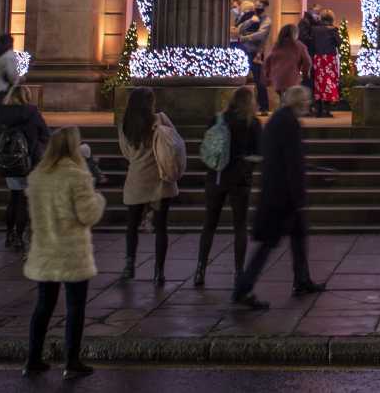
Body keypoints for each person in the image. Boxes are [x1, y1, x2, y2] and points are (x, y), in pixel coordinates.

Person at [22, 126, 105, 379]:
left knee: (43, 306)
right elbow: (88, 214)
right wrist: (99, 198)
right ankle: (71, 361)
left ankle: (33, 359)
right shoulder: (77, 176)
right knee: (75, 307)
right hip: (71, 251)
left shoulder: (37, 176)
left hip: (45, 249)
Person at [233, 86, 326, 307]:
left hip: (275, 191)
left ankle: (302, 279)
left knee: (298, 236)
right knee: (266, 245)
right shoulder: (289, 124)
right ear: (299, 103)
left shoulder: (277, 120)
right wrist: (300, 198)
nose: (309, 105)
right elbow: (292, 164)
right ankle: (243, 288)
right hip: (281, 196)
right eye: (306, 101)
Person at [195, 86, 263, 287]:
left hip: (216, 177)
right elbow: (259, 152)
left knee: (209, 224)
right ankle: (239, 272)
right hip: (239, 180)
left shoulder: (218, 119)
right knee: (239, 226)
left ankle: (200, 269)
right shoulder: (252, 123)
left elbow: (207, 147)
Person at [118, 86, 182, 284]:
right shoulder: (160, 119)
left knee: (132, 225)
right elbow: (175, 143)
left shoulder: (125, 124)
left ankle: (129, 265)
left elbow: (126, 152)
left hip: (137, 179)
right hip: (161, 179)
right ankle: (158, 272)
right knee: (161, 227)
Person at [0, 84, 49, 251]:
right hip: (29, 161)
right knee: (23, 199)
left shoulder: (1, 112)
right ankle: (20, 236)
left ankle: (9, 234)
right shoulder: (31, 112)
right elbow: (45, 134)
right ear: (26, 96)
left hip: (8, 161)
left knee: (14, 197)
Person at [239, 0, 273, 113]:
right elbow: (240, 28)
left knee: (259, 81)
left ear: (265, 7)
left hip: (256, 53)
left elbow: (261, 35)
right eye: (256, 5)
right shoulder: (251, 17)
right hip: (244, 51)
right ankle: (242, 107)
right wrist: (250, 22)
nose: (257, 7)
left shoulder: (267, 20)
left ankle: (264, 107)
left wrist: (245, 37)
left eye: (260, 6)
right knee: (241, 79)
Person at [263, 23, 312, 102]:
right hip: (292, 77)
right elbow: (307, 62)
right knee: (292, 99)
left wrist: (268, 76)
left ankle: (283, 109)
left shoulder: (277, 46)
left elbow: (268, 61)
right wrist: (305, 74)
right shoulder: (299, 46)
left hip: (277, 78)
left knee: (283, 98)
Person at [309, 10, 341, 118]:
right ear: (332, 18)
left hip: (318, 58)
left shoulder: (314, 30)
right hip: (330, 59)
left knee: (318, 83)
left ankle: (318, 110)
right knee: (329, 83)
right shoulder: (333, 30)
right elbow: (339, 43)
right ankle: (327, 111)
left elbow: (311, 44)